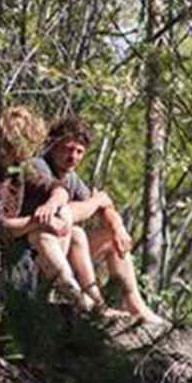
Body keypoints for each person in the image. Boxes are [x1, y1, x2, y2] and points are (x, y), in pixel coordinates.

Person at [0, 105, 97, 311]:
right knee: (42, 234)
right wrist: (38, 222)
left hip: (12, 246)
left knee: (73, 230)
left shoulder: (15, 167)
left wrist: (50, 205)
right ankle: (75, 297)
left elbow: (57, 188)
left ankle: (93, 300)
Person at [30, 117, 164, 324]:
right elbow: (64, 214)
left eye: (79, 152)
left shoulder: (71, 177)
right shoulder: (38, 167)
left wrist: (118, 227)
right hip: (35, 256)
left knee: (112, 238)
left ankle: (137, 307)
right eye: (68, 149)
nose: (73, 157)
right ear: (53, 144)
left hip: (62, 255)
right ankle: (96, 305)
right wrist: (96, 201)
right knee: (76, 232)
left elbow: (106, 206)